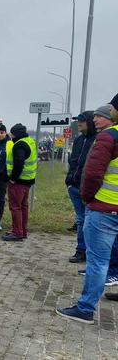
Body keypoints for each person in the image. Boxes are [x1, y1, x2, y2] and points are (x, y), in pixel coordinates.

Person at [56, 98, 118, 324]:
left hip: (105, 208)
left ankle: (85, 308)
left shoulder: (109, 136)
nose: (108, 112)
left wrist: (88, 197)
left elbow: (92, 174)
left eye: (111, 108)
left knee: (98, 261)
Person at [65, 110, 98, 263]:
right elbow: (73, 161)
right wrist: (70, 181)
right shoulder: (78, 140)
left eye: (82, 121)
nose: (79, 123)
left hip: (90, 189)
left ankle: (91, 252)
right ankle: (81, 250)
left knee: (90, 221)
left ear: (90, 122)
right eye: (78, 120)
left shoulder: (98, 140)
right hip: (74, 186)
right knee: (80, 220)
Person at [2, 123, 37, 242]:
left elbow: (19, 162)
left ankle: (17, 233)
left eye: (12, 133)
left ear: (15, 134)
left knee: (15, 207)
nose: (11, 136)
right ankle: (22, 231)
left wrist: (12, 178)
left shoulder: (19, 145)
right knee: (23, 206)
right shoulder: (30, 141)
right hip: (28, 180)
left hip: (19, 182)